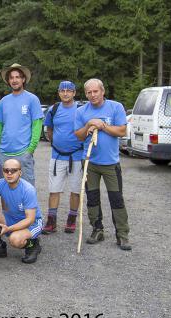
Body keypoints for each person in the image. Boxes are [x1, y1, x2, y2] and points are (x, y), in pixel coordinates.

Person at [74, 78, 131, 250]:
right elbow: (79, 135)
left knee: (116, 199)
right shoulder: (81, 111)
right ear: (86, 94)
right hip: (90, 162)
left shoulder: (116, 107)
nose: (92, 95)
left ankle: (122, 235)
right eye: (89, 92)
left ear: (102, 91)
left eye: (95, 91)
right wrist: (89, 124)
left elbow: (122, 131)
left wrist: (102, 125)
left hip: (110, 163)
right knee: (92, 198)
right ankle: (97, 229)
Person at [0, 159, 43, 264]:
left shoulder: (28, 190)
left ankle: (33, 244)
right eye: (6, 170)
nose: (9, 173)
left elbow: (30, 219)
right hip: (12, 217)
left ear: (20, 172)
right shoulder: (1, 183)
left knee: (15, 240)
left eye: (13, 170)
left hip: (32, 223)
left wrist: (8, 229)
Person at [0, 63, 44, 186]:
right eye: (11, 77)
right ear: (8, 81)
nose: (14, 80)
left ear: (23, 79)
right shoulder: (3, 101)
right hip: (4, 154)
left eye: (17, 77)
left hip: (23, 153)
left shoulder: (32, 99)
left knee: (27, 190)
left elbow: (37, 127)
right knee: (5, 189)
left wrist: (30, 150)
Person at [42, 81, 83, 234]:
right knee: (54, 190)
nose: (65, 93)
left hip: (77, 157)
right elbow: (50, 129)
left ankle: (71, 220)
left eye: (69, 90)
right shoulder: (54, 109)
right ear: (59, 92)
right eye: (62, 90)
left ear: (74, 93)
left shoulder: (81, 109)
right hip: (57, 156)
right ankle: (51, 222)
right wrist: (56, 143)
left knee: (75, 190)